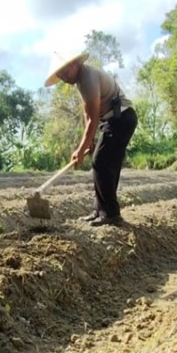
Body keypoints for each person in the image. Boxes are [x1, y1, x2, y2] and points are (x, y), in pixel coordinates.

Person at [44, 52, 138, 227]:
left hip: (120, 119)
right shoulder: (82, 80)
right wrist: (91, 141)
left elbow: (92, 119)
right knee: (106, 164)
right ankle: (100, 210)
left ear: (73, 64)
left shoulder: (88, 78)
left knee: (101, 163)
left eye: (65, 73)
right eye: (61, 76)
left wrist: (79, 150)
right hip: (113, 120)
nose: (64, 78)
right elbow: (89, 114)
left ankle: (110, 214)